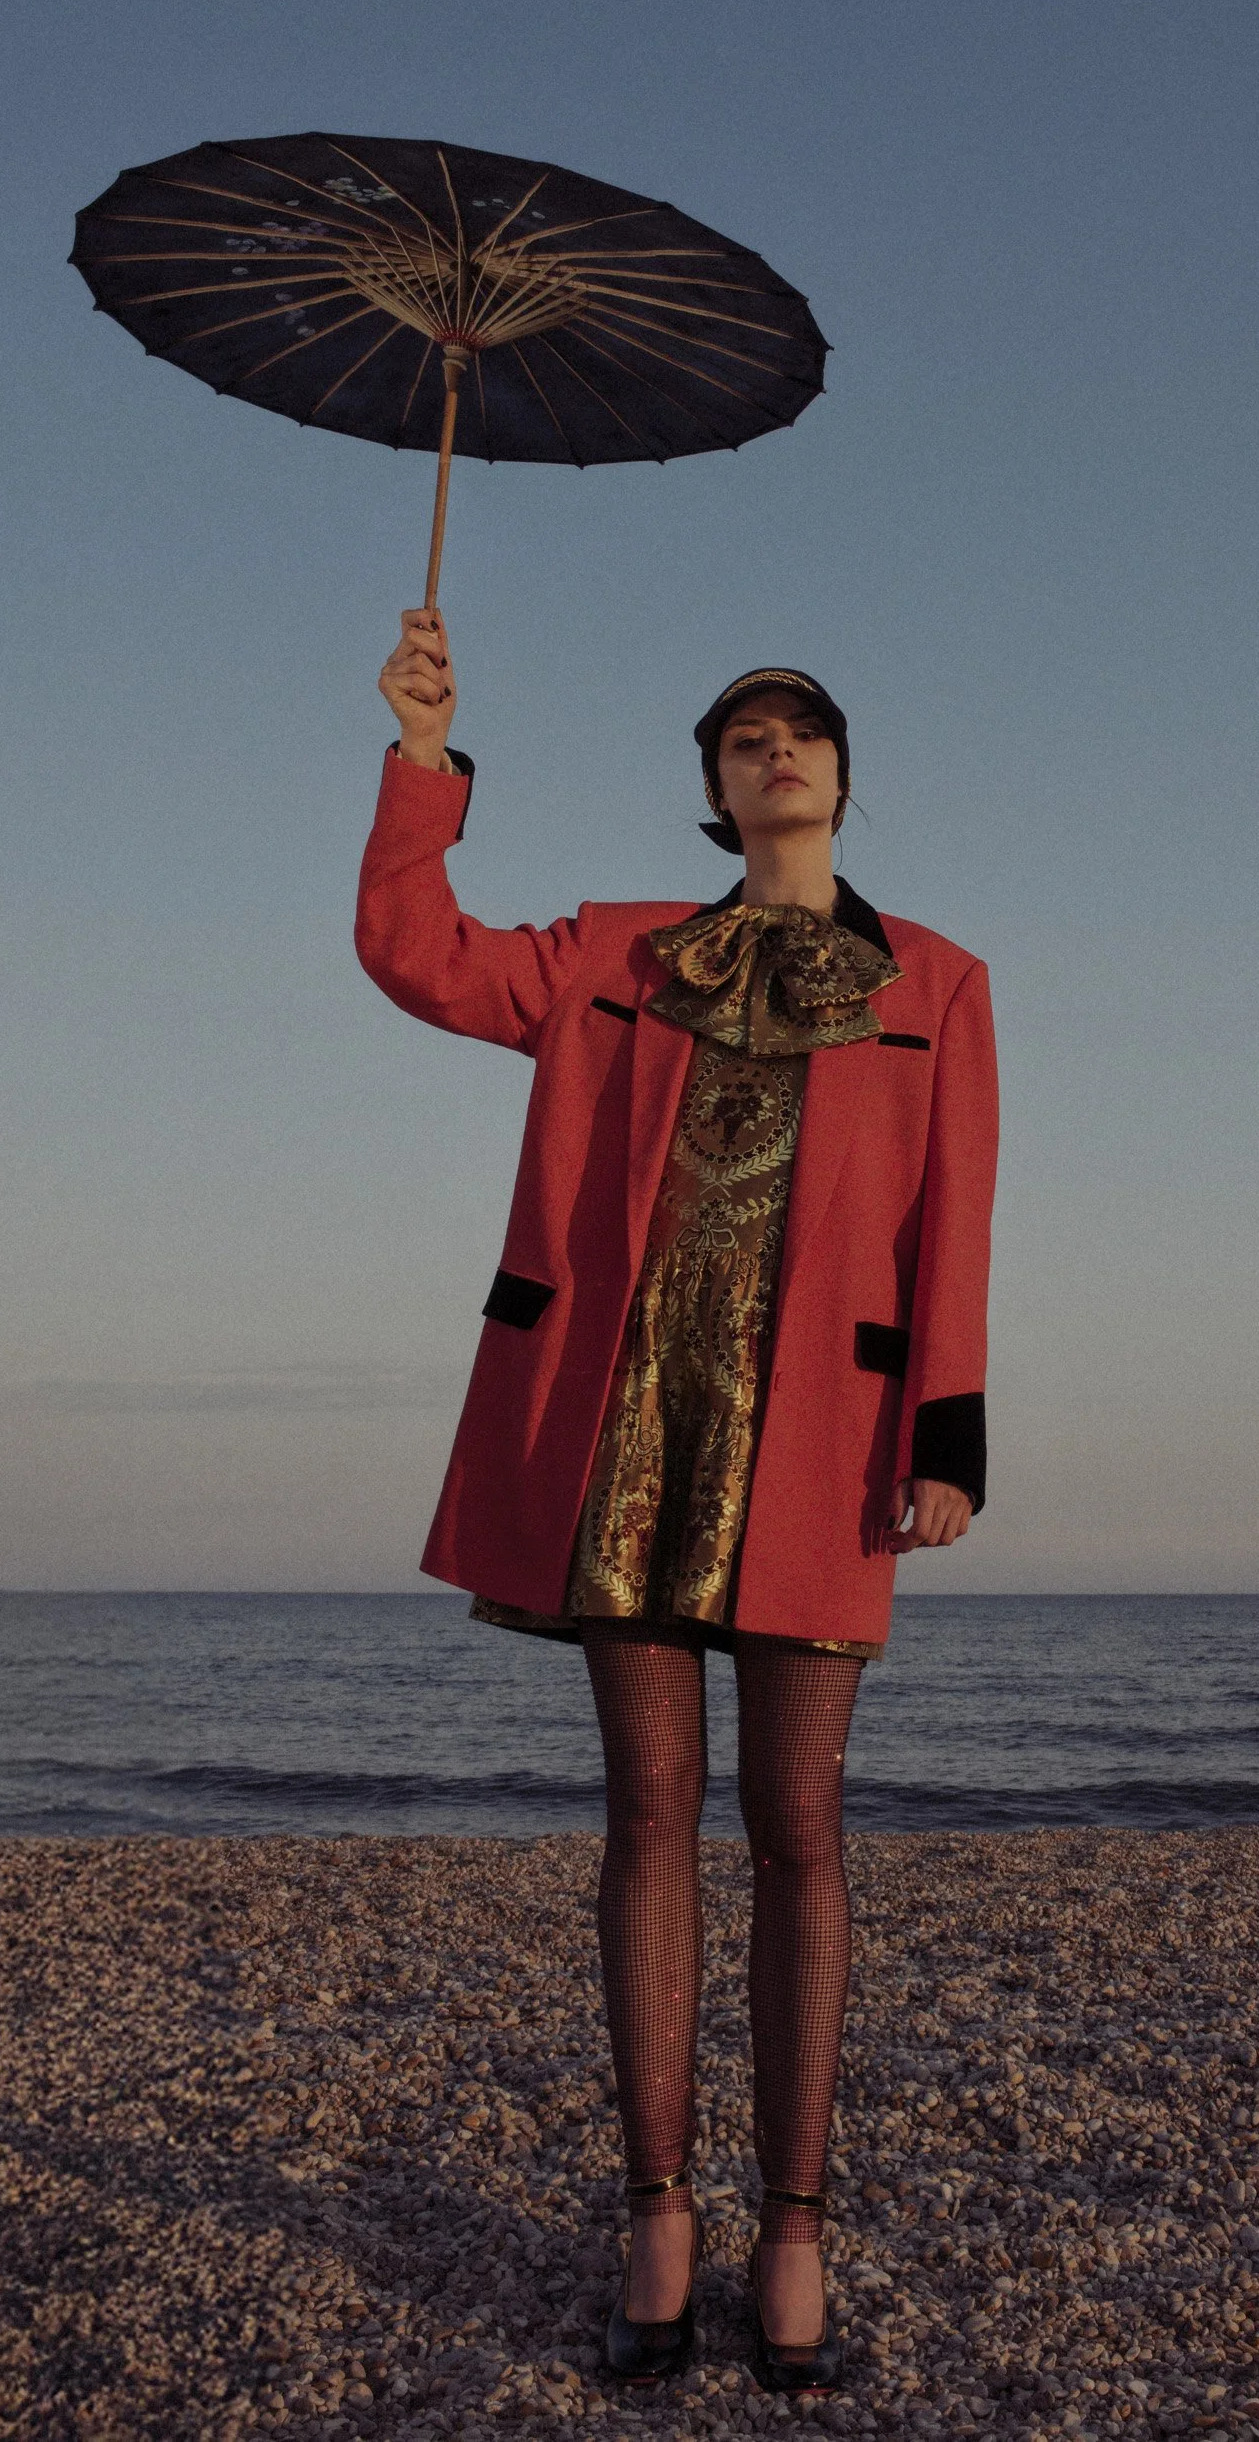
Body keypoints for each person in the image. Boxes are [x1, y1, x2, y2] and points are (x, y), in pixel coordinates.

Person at [357, 607, 998, 2394]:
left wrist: (946, 1437)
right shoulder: (617, 953)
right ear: (716, 794)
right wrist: (422, 762)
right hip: (620, 1439)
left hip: (818, 1454)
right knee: (649, 1816)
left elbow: (958, 1218)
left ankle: (792, 2222)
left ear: (845, 777)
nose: (774, 751)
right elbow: (415, 956)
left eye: (801, 732)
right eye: (742, 739)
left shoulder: (936, 983)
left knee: (799, 1824)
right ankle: (657, 2209)